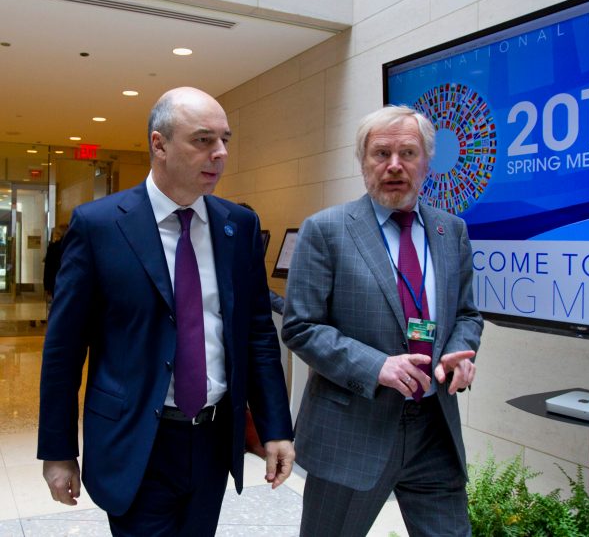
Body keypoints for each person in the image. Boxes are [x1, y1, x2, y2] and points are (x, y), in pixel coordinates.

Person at [37, 86, 295, 536]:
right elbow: (64, 349)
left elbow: (257, 333)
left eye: (224, 140)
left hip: (213, 440)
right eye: (203, 140)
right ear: (159, 144)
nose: (220, 154)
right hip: (136, 439)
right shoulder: (99, 226)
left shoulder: (238, 226)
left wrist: (276, 427)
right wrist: (58, 451)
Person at [281, 105, 484, 536]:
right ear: (363, 162)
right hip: (353, 430)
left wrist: (458, 354)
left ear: (426, 162)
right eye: (381, 153)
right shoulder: (326, 230)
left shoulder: (451, 231)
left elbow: (467, 314)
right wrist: (377, 366)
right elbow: (301, 326)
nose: (394, 165)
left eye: (408, 153)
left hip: (434, 428)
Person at [42, 223, 67, 299]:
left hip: (55, 281)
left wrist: (46, 285)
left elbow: (48, 268)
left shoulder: (52, 247)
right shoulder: (71, 247)